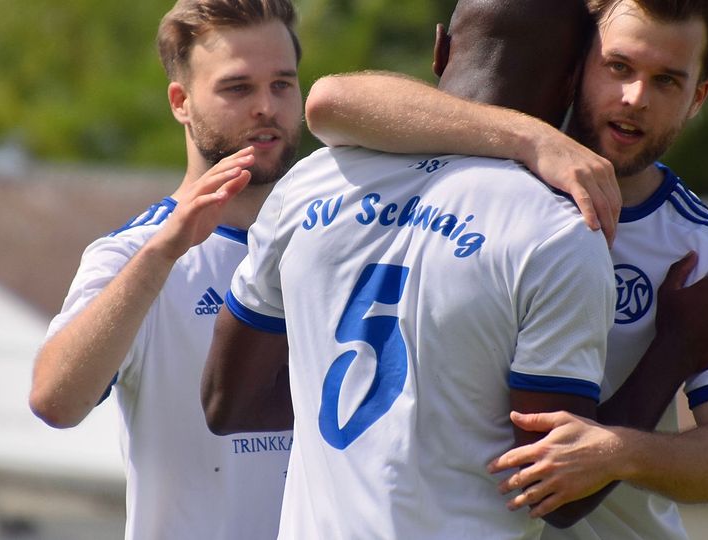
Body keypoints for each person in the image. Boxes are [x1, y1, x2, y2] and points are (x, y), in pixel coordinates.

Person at [302, 0, 708, 538]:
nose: (635, 97)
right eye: (618, 66)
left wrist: (620, 452)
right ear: (579, 63)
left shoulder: (702, 254)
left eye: (666, 80)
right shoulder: (487, 162)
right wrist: (534, 139)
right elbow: (331, 102)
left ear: (698, 98)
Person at [203, 1, 618, 537]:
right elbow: (555, 493)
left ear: (440, 49)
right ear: (573, 83)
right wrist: (674, 349)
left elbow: (227, 403)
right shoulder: (560, 231)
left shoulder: (314, 178)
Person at [28, 1, 302, 538]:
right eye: (238, 87)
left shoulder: (333, 244)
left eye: (282, 84)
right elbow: (54, 401)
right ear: (181, 102)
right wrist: (161, 254)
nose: (266, 107)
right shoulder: (134, 253)